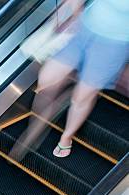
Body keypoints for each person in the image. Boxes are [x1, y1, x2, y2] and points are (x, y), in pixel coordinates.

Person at [13, 0, 129, 159]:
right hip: (84, 28)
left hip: (114, 46)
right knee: (47, 79)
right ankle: (37, 125)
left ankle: (66, 138)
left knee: (81, 98)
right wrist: (71, 15)